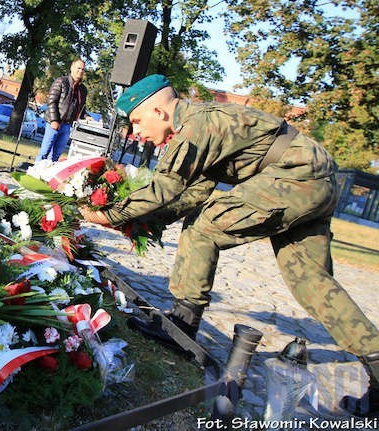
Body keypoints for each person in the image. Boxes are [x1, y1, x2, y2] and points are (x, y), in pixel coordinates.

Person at [79, 74, 379, 417]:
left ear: (160, 112)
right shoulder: (198, 126)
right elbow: (192, 192)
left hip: (295, 175)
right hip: (309, 177)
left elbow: (164, 187)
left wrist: (109, 214)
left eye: (136, 121)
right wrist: (142, 224)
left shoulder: (195, 125)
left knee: (204, 228)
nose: (135, 134)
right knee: (312, 283)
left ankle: (182, 322)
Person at [36, 58, 88, 162]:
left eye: (83, 69)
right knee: (44, 153)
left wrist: (87, 117)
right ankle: (35, 173)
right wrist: (54, 120)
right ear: (72, 68)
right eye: (78, 68)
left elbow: (82, 108)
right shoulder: (61, 81)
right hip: (54, 124)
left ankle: (48, 176)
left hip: (67, 126)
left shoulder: (82, 89)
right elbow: (51, 101)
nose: (80, 71)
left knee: (56, 157)